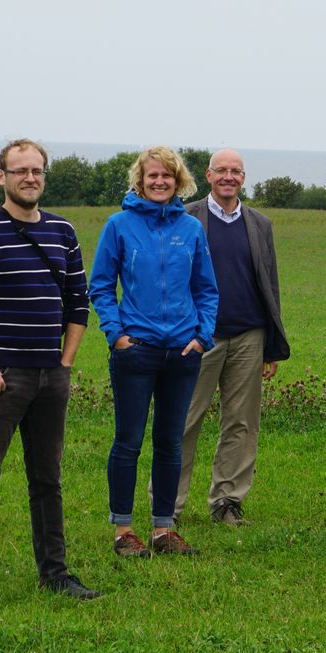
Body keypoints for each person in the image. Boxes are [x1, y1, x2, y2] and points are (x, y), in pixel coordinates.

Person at [0, 139, 99, 607]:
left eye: (37, 170)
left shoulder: (63, 232)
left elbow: (79, 302)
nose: (29, 178)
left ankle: (55, 573)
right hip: (2, 377)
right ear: (1, 176)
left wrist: (66, 362)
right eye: (20, 171)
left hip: (51, 376)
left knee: (47, 480)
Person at [88, 146, 220, 558]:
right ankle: (123, 531)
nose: (159, 182)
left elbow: (206, 289)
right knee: (128, 441)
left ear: (178, 181)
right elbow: (101, 285)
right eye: (152, 177)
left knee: (170, 442)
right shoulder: (119, 225)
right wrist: (116, 335)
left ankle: (164, 530)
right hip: (136, 351)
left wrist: (201, 337)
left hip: (182, 353)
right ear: (139, 181)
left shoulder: (192, 229)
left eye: (167, 176)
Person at [172, 148, 290, 529]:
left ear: (243, 177)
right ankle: (168, 506)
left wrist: (271, 343)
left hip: (249, 335)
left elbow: (269, 285)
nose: (228, 176)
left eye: (235, 171)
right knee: (184, 420)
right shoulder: (186, 218)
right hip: (197, 337)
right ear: (207, 175)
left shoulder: (260, 224)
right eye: (221, 170)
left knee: (241, 423)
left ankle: (228, 501)